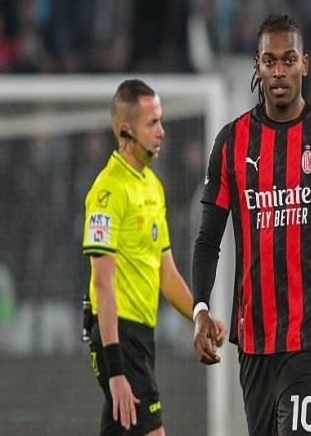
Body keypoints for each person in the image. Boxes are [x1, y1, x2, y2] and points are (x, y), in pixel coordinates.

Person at [192, 14, 311, 436]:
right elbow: (207, 239)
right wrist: (200, 309)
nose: (279, 71)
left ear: (305, 65)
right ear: (257, 66)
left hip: (309, 336)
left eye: (288, 60)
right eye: (270, 61)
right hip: (254, 339)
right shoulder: (231, 144)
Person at [82, 79, 225, 436]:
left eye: (161, 121)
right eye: (152, 123)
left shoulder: (152, 186)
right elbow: (103, 284)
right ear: (125, 131)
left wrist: (199, 315)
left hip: (142, 336)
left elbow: (167, 274)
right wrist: (116, 370)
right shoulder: (107, 192)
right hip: (119, 337)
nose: (162, 131)